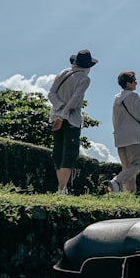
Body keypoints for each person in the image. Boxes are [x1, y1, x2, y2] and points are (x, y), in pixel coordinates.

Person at [48, 49, 97, 194]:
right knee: (69, 153)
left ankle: (61, 187)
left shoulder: (63, 73)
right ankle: (62, 189)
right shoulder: (84, 79)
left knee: (58, 152)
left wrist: (59, 107)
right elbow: (75, 100)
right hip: (71, 120)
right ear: (88, 66)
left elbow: (51, 93)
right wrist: (64, 115)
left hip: (55, 117)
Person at [109, 71, 140, 194]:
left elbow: (114, 119)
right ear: (128, 83)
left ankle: (129, 194)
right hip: (134, 136)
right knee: (136, 165)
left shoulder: (116, 99)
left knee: (127, 168)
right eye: (134, 80)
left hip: (120, 137)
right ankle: (116, 181)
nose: (136, 82)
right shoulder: (134, 96)